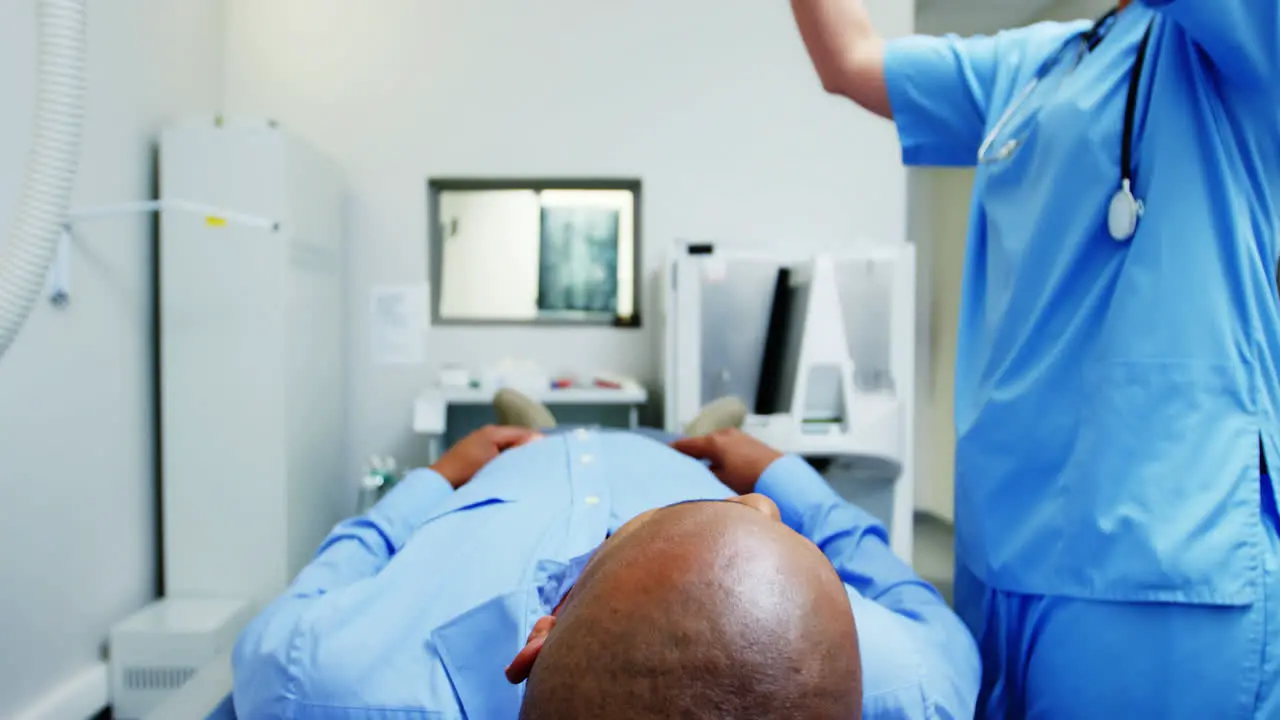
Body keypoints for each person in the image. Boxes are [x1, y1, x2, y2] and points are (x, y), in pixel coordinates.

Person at [789, 0, 1280, 716]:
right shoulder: (1032, 63)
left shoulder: (1237, 36)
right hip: (1005, 546)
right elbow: (851, 60)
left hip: (1159, 565)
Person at [231, 392, 979, 719]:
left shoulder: (317, 679)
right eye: (769, 530)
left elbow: (344, 563)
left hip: (508, 469)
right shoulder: (907, 683)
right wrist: (774, 472)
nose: (762, 513)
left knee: (524, 428)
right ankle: (704, 429)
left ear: (540, 635)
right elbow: (893, 578)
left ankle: (534, 429)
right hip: (682, 458)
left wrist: (443, 476)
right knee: (701, 433)